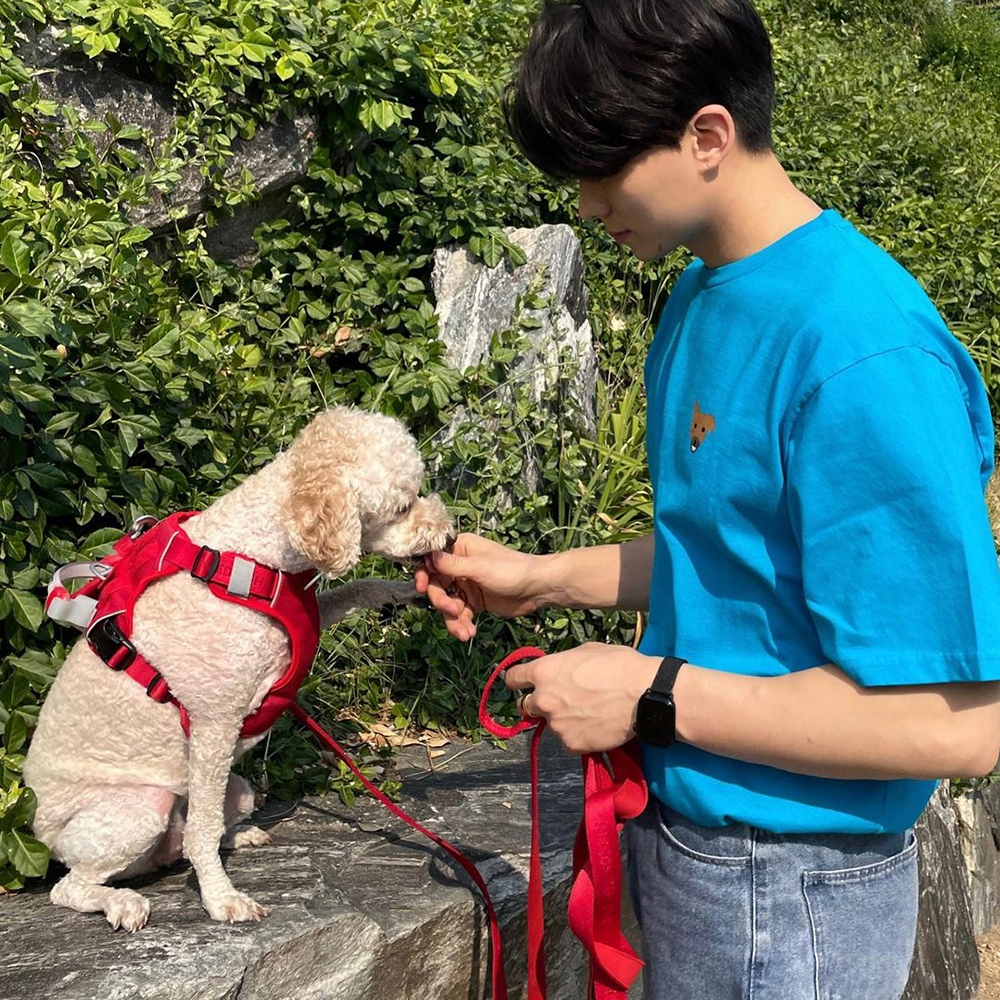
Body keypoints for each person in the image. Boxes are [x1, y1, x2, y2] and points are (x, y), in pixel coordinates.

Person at [415, 1, 1000, 998]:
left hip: (799, 886)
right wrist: (544, 578)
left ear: (707, 136)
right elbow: (735, 551)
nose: (588, 201)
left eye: (602, 167)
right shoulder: (702, 291)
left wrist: (647, 692)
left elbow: (954, 724)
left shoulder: (862, 351)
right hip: (695, 848)